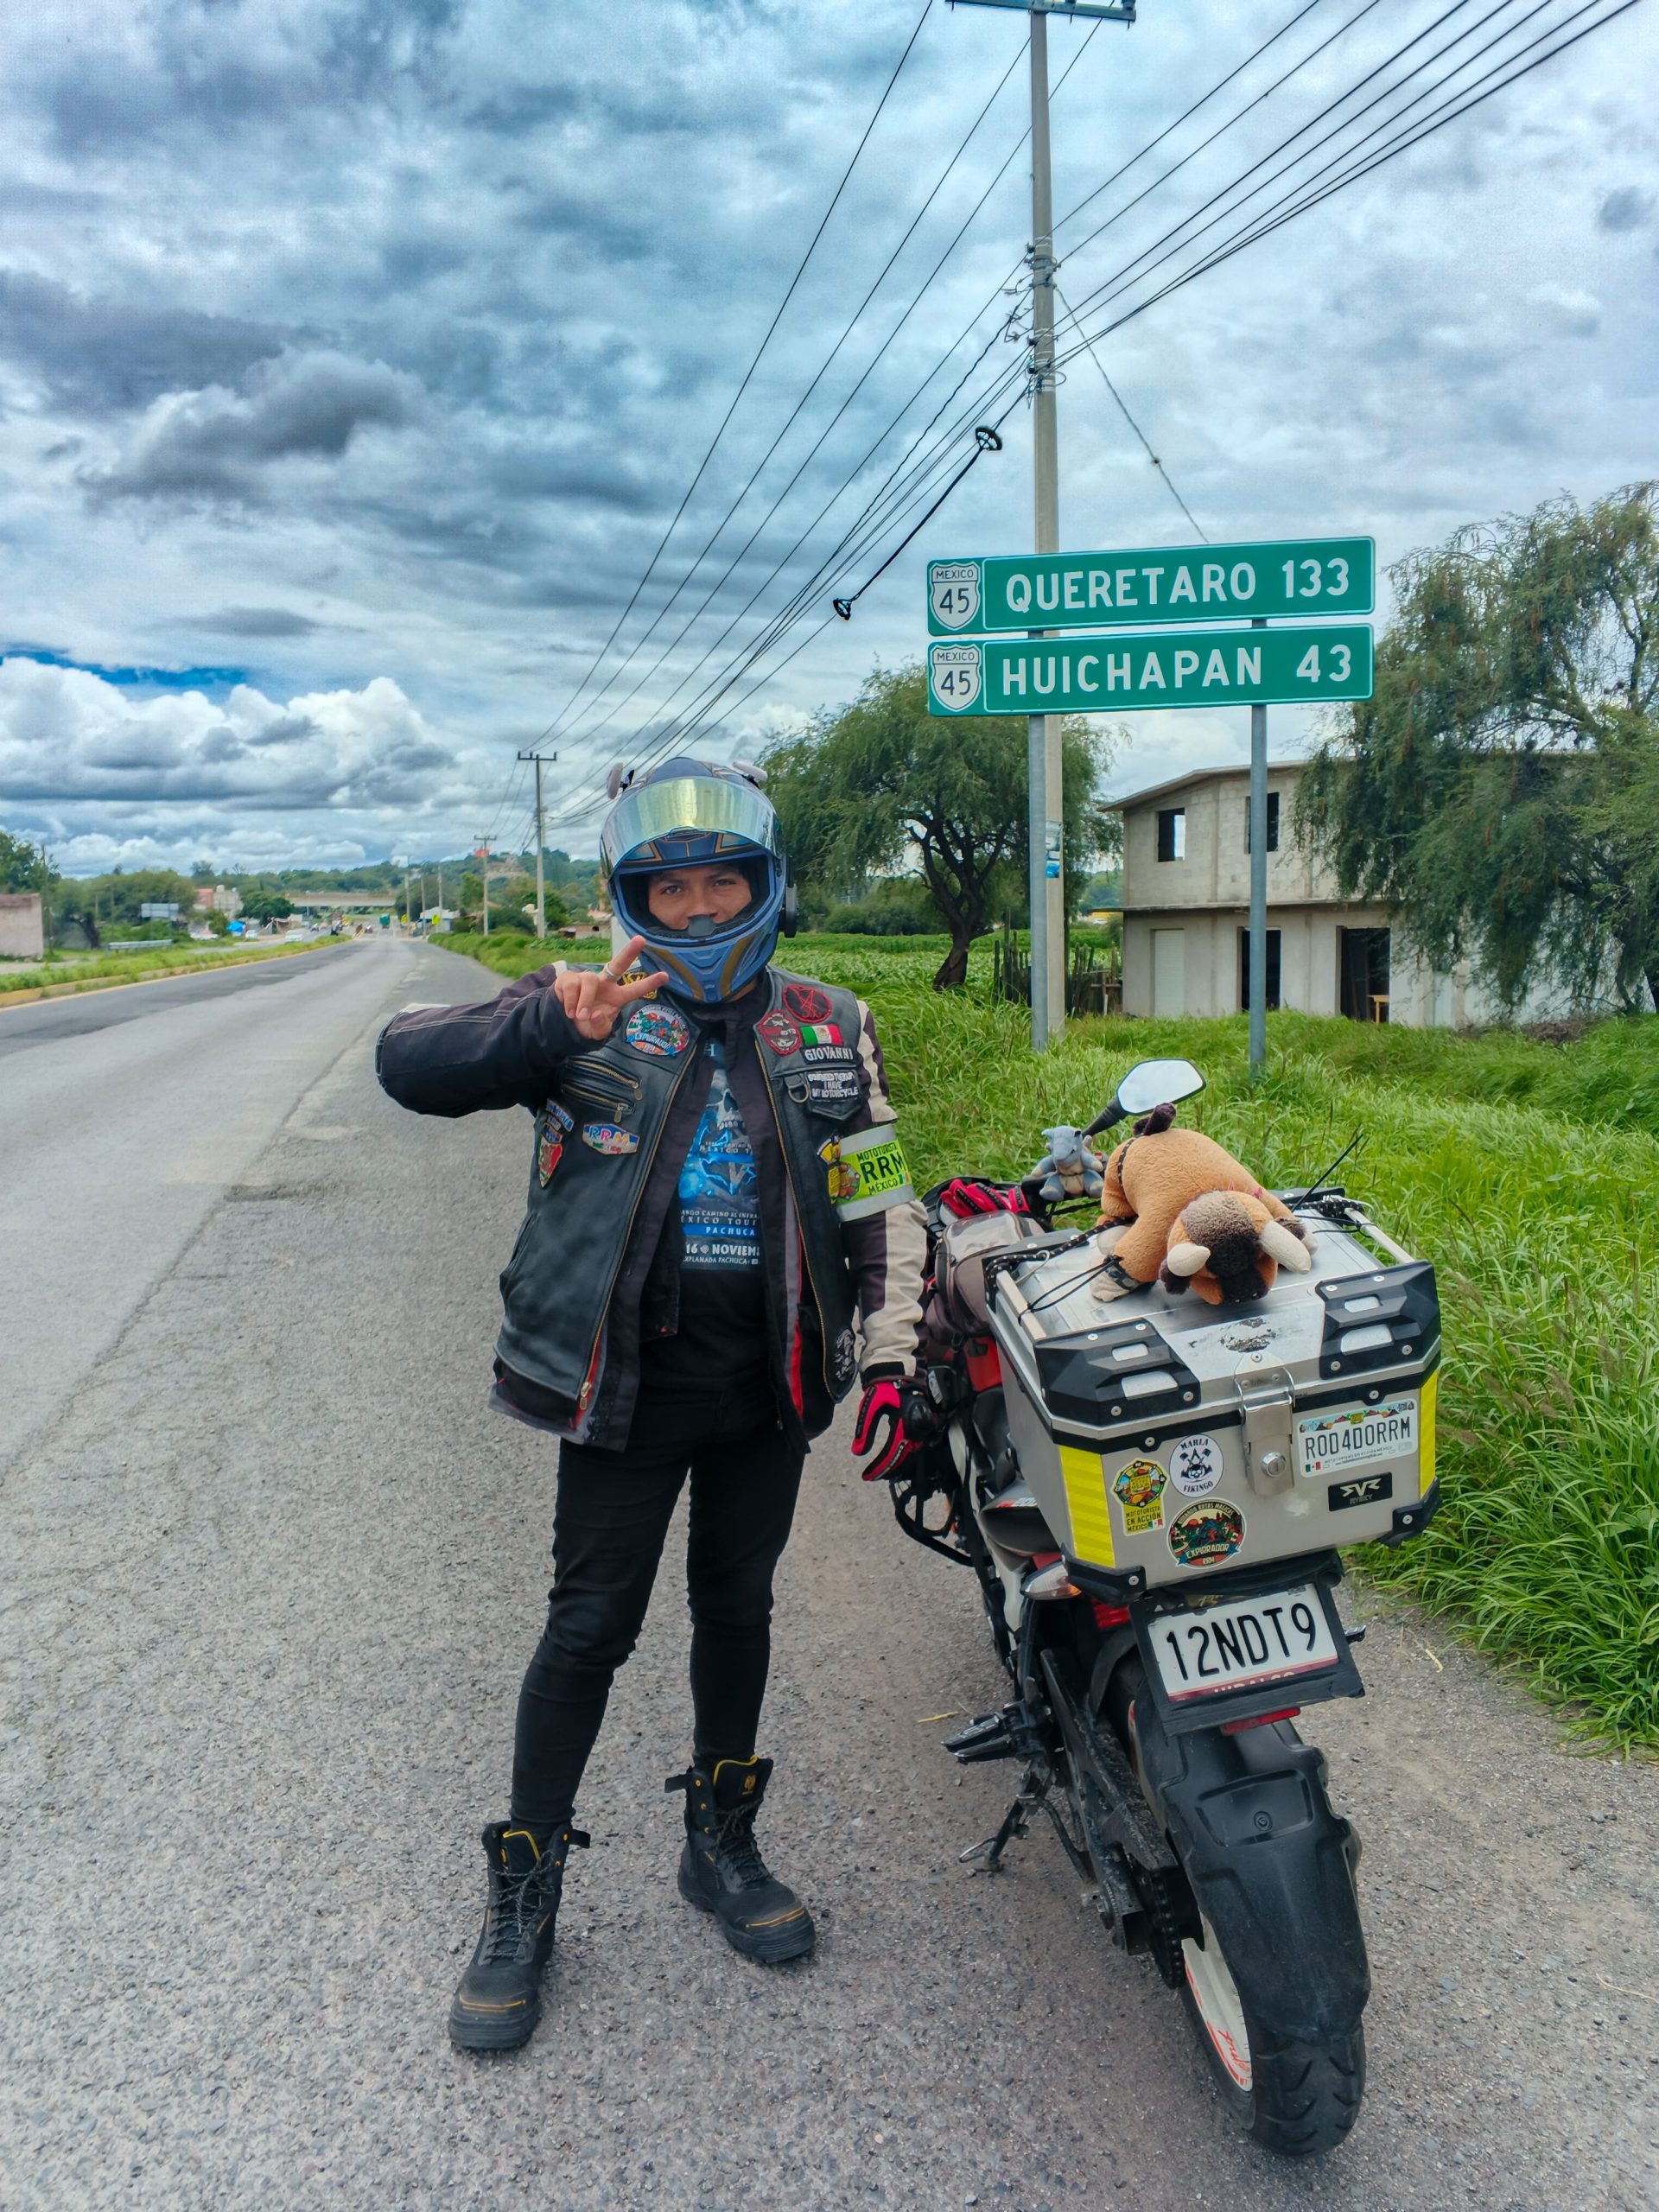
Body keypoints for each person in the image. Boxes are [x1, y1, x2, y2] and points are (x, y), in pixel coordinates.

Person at [377, 757, 927, 2052]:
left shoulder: (830, 1023)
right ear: (633, 899)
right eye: (666, 886)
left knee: (738, 1610)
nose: (694, 908)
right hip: (621, 1391)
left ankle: (720, 1842)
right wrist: (546, 1028)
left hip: (769, 1389)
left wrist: (892, 1355)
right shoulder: (589, 1008)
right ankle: (525, 1892)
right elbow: (410, 1063)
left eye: (718, 880)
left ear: (762, 884)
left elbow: (878, 1196)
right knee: (589, 1629)